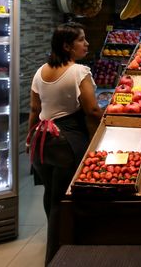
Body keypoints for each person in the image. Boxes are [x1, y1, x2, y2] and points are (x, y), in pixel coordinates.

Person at [27, 22, 101, 261]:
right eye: (82, 40)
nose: (87, 44)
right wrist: (107, 118)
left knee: (51, 195)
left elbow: (33, 110)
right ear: (68, 46)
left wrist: (29, 140)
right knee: (64, 199)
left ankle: (56, 242)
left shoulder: (40, 72)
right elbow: (91, 109)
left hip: (41, 140)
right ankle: (58, 255)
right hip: (66, 140)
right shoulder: (79, 71)